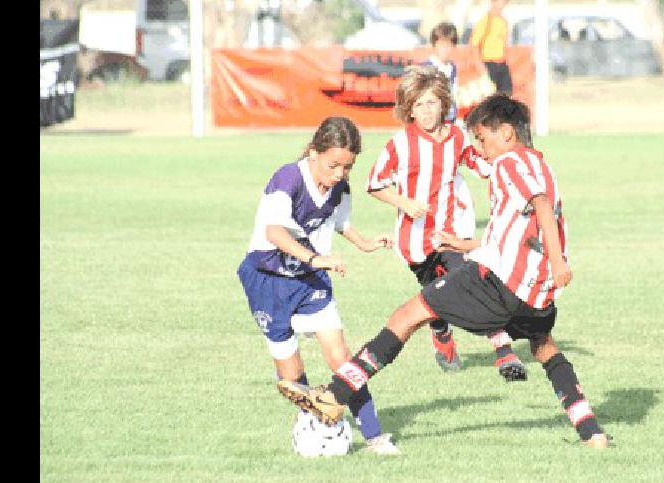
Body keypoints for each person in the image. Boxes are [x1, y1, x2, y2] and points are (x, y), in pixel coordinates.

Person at [279, 95, 611, 449]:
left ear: (508, 134)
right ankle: (590, 431)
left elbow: (541, 206)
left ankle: (335, 395)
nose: (480, 150)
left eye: (483, 140)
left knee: (409, 314)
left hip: (498, 283)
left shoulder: (509, 164)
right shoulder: (540, 165)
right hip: (536, 290)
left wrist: (560, 261)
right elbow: (517, 231)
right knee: (544, 346)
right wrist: (463, 245)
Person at [237, 116, 401, 455]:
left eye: (348, 167)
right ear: (314, 152)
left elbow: (341, 224)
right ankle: (312, 423)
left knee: (342, 359)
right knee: (291, 375)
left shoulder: (340, 188)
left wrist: (366, 243)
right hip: (267, 281)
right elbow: (274, 233)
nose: (340, 173)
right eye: (333, 164)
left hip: (310, 281)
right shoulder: (287, 179)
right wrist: (315, 259)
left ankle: (374, 436)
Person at [365, 65, 528, 381]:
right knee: (435, 298)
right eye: (418, 106)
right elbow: (374, 183)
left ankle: (504, 354)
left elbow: (481, 164)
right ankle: (441, 334)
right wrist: (405, 203)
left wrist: (514, 163)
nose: (425, 112)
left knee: (474, 284)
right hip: (415, 241)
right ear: (409, 110)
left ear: (443, 103)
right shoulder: (400, 145)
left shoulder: (455, 136)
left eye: (430, 103)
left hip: (452, 235)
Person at [469, 0, 513, 95]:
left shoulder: (504, 22)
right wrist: (481, 68)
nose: (502, 4)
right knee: (491, 99)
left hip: (501, 64)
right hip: (489, 64)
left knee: (506, 96)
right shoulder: (485, 21)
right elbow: (474, 46)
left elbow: (504, 46)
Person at [424, 22, 461, 124]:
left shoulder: (452, 68)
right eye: (442, 45)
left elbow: (453, 92)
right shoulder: (427, 68)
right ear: (434, 45)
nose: (445, 50)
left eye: (449, 45)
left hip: (449, 117)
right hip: (432, 119)